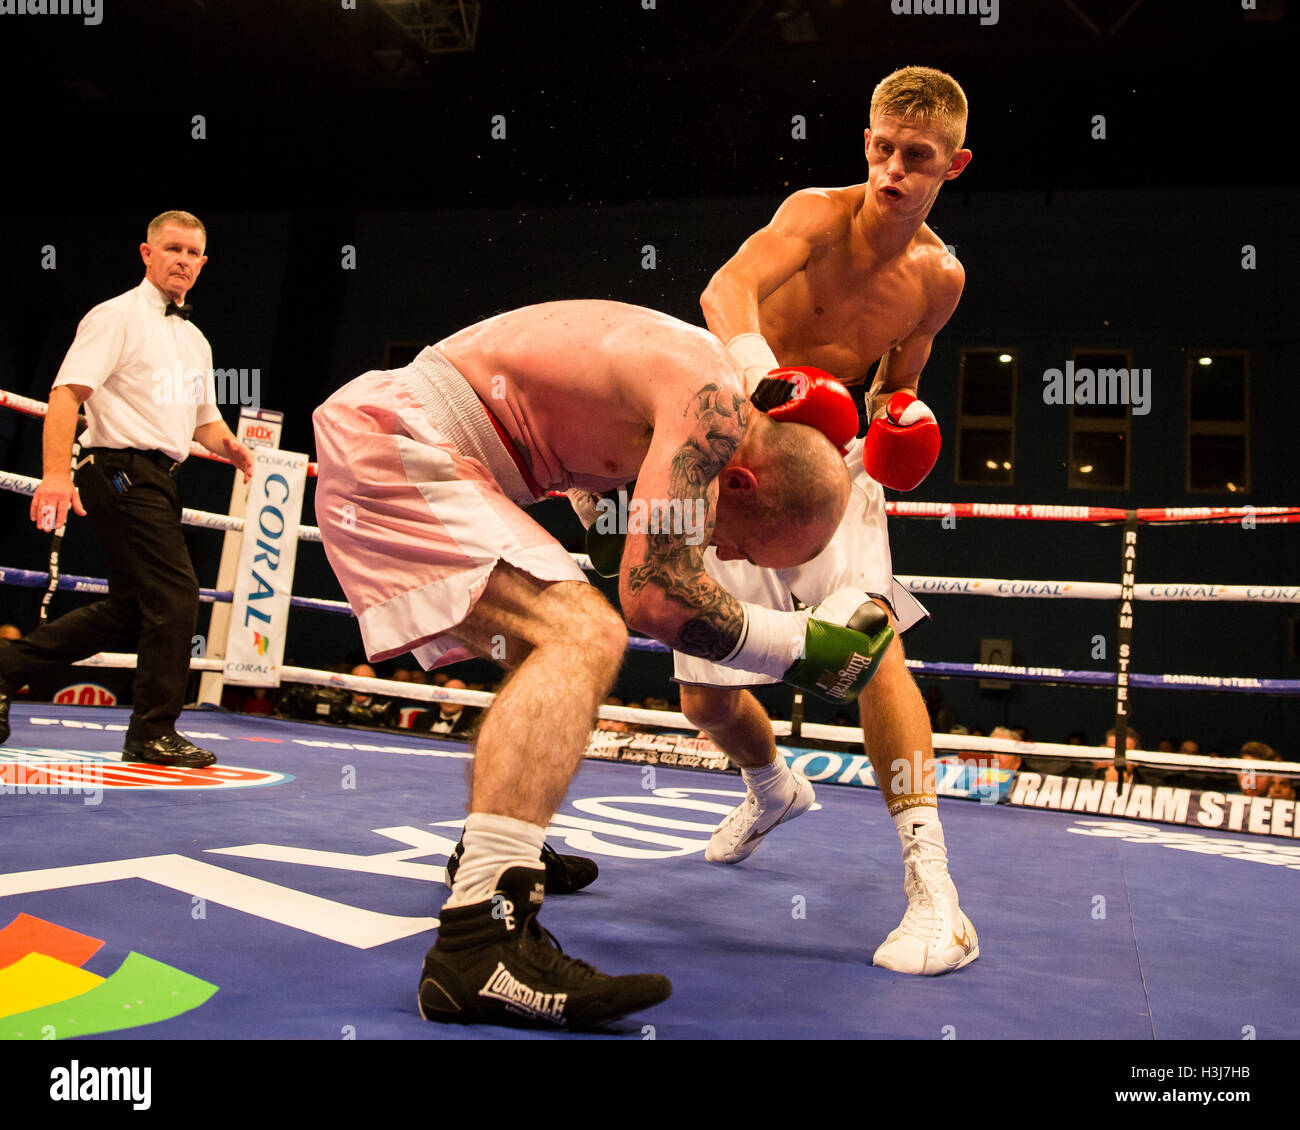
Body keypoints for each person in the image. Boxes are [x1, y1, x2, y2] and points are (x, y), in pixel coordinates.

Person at [312, 298, 888, 1030]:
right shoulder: (710, 406)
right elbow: (653, 599)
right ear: (742, 484)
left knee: (543, 641)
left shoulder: (687, 410)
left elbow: (583, 463)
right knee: (583, 634)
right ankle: (479, 946)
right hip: (402, 436)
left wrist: (603, 519)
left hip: (428, 442)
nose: (729, 558)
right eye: (744, 546)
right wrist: (800, 646)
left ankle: (494, 849)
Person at [660, 65, 977, 975]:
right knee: (707, 698)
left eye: (916, 157)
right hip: (746, 444)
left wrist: (899, 419)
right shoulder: (814, 214)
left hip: (835, 471)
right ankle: (771, 789)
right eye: (881, 148)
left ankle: (935, 893)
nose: (892, 170)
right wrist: (768, 380)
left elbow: (900, 379)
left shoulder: (940, 279)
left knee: (870, 655)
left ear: (954, 165)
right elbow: (725, 293)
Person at [0, 211, 253, 766]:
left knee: (135, 608)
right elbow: (66, 395)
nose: (183, 261)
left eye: (193, 253)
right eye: (173, 249)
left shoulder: (195, 341)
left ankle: (6, 671)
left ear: (203, 264)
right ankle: (151, 732)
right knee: (178, 595)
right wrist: (55, 475)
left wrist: (230, 444)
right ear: (147, 253)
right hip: (117, 469)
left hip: (159, 478)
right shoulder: (114, 317)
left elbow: (201, 421)